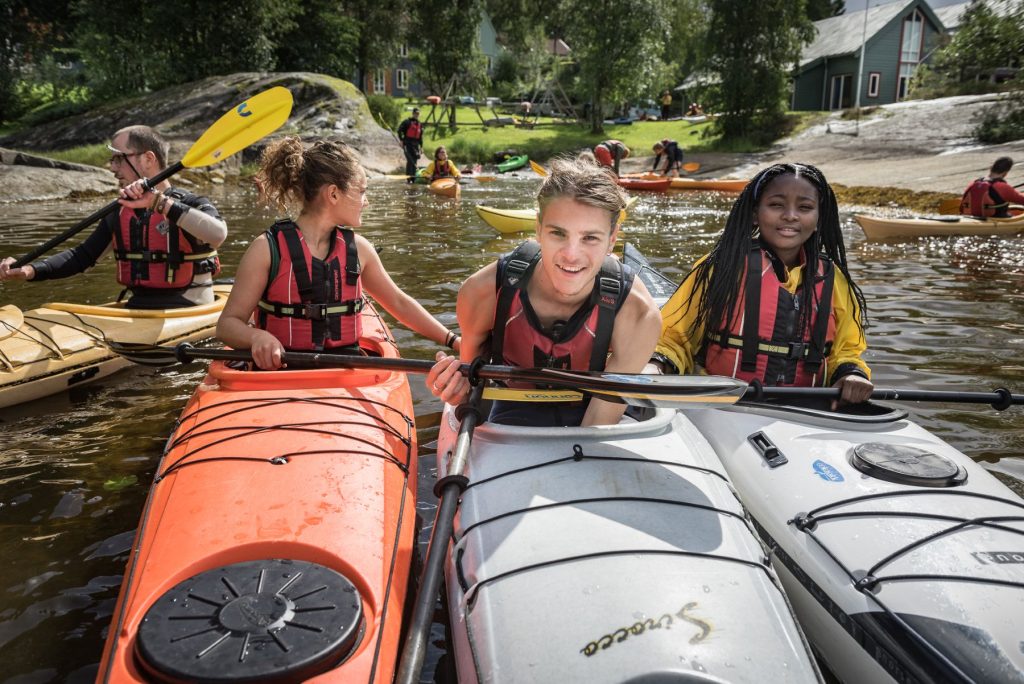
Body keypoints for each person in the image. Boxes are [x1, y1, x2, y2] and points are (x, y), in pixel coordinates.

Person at [426, 156, 663, 427]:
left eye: (590, 238)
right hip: (508, 407)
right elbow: (472, 392)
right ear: (538, 230)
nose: (571, 256)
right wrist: (455, 389)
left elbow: (599, 421)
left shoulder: (638, 314)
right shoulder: (481, 293)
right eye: (558, 234)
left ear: (612, 240)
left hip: (593, 410)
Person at [217, 137, 460, 370]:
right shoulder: (266, 249)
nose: (367, 202)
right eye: (362, 191)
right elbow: (227, 325)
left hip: (344, 371)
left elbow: (399, 303)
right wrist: (256, 337)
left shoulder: (359, 250)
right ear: (333, 194)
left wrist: (453, 340)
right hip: (280, 373)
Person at [651, 162, 873, 408]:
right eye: (776, 205)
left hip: (808, 410)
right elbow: (673, 337)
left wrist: (851, 374)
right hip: (722, 407)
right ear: (755, 213)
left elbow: (846, 350)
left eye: (805, 207)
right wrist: (656, 364)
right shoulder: (721, 268)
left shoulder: (834, 280)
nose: (790, 215)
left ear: (820, 217)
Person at [0, 125, 227, 309]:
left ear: (148, 159)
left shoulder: (190, 203)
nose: (112, 167)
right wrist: (30, 270)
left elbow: (218, 234)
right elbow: (83, 256)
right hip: (138, 307)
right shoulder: (121, 211)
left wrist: (159, 202)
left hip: (188, 308)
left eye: (119, 158)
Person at [960, 156, 1024, 218]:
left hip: (970, 217)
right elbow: (1021, 199)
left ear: (991, 168)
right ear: (1005, 173)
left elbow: (962, 206)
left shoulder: (973, 183)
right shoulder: (1002, 187)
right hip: (996, 219)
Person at [397, 107, 423, 183]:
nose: (416, 115)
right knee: (410, 160)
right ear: (413, 113)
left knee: (415, 160)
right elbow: (399, 131)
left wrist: (421, 147)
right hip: (407, 144)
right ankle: (409, 179)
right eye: (415, 113)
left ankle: (413, 178)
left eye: (418, 113)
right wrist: (401, 140)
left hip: (415, 146)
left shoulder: (420, 125)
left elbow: (420, 137)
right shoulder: (407, 122)